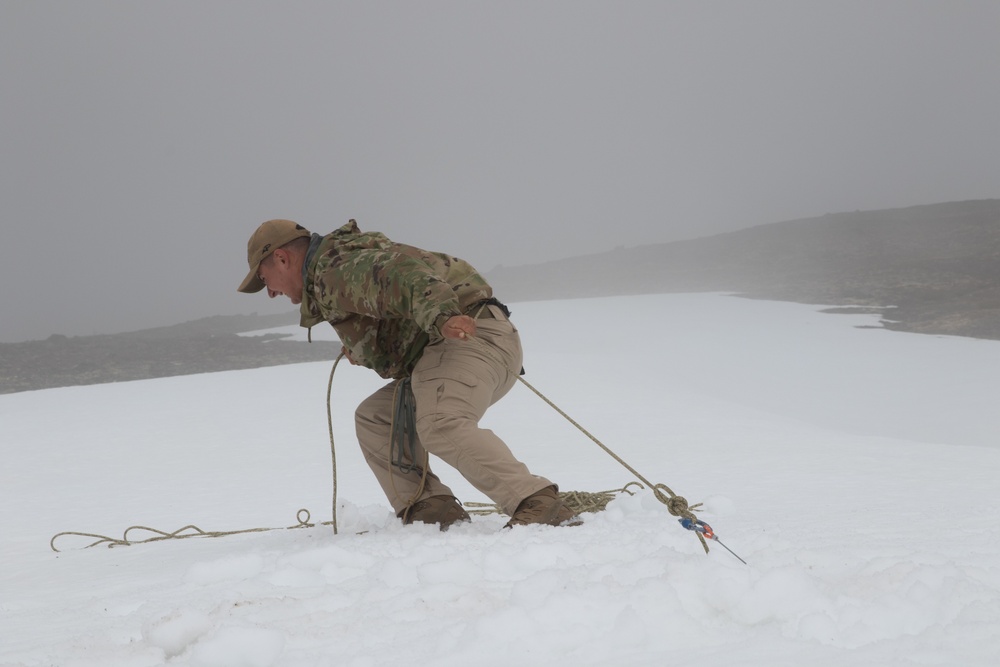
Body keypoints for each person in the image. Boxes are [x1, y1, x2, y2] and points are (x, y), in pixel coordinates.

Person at [237, 218, 577, 530]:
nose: (269, 292)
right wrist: (364, 349)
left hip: (470, 337)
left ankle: (536, 501)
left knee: (439, 422)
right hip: (452, 348)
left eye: (264, 279)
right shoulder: (332, 273)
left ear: (281, 258)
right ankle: (431, 507)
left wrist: (442, 316)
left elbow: (401, 275)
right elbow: (387, 305)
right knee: (376, 417)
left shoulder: (334, 269)